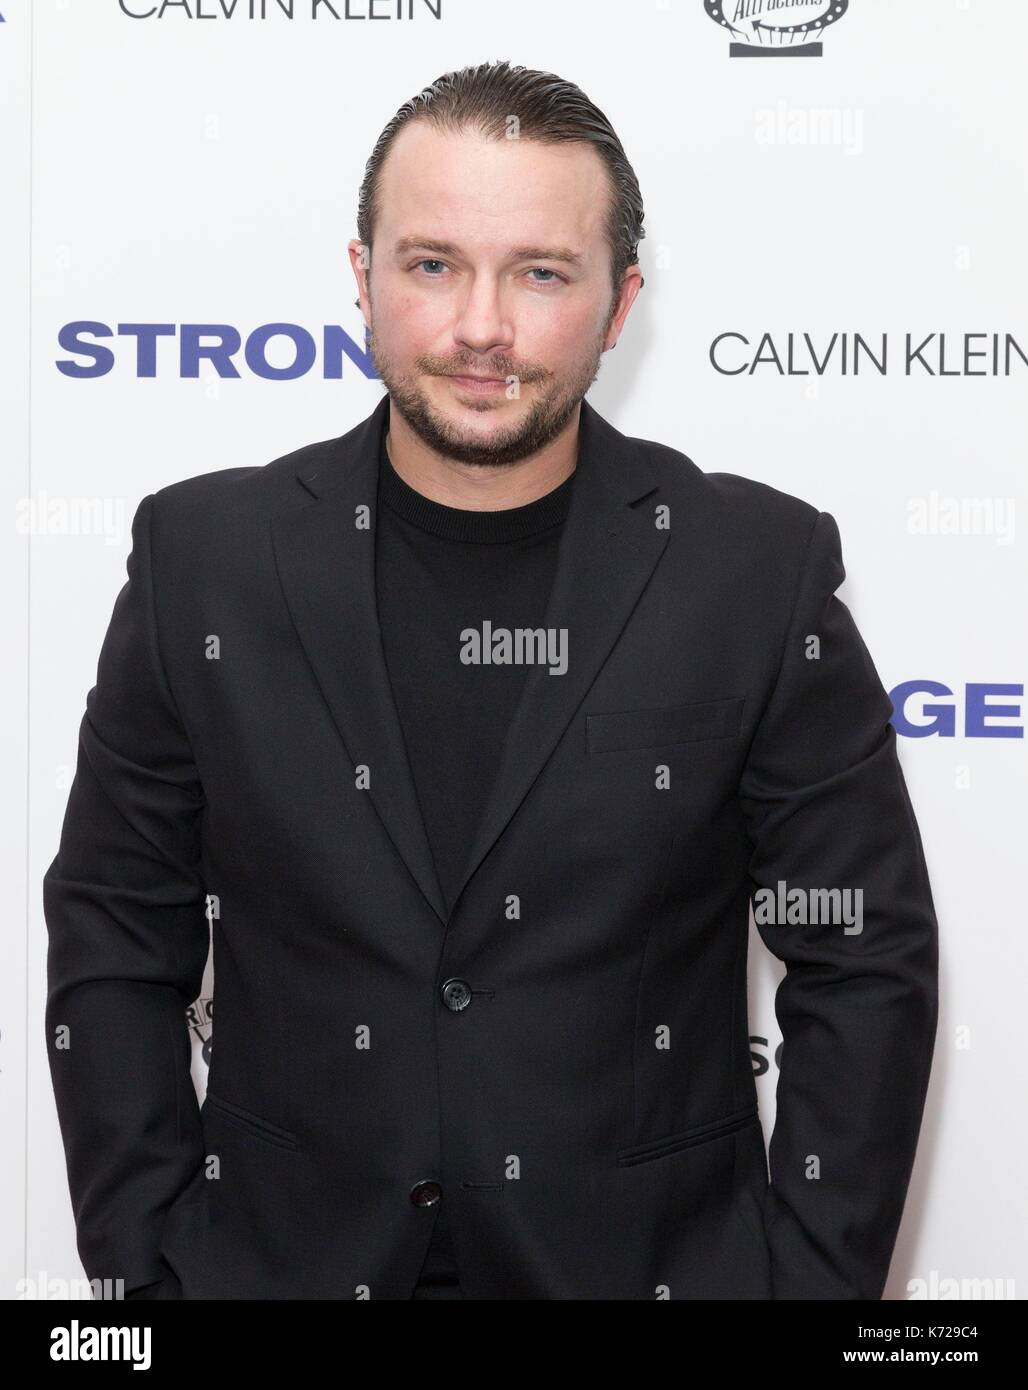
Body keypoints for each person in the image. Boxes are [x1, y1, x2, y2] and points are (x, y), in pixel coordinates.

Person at [44, 59, 938, 1301]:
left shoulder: (753, 573)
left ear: (619, 303)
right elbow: (113, 925)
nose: (480, 326)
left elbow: (860, 954)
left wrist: (803, 1289)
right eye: (430, 264)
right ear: (359, 278)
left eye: (539, 271)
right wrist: (148, 1269)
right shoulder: (202, 562)